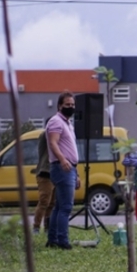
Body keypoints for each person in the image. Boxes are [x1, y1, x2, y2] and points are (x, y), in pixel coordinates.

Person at [45, 91, 81, 250]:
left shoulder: (67, 123)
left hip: (69, 167)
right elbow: (53, 143)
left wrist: (76, 172)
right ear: (60, 105)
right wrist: (63, 160)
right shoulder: (56, 122)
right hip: (62, 167)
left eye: (73, 105)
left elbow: (69, 149)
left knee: (59, 206)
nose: (71, 107)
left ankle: (53, 239)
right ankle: (62, 240)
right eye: (67, 105)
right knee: (66, 207)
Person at [32, 129, 55, 235]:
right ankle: (36, 227)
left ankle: (48, 226)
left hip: (55, 172)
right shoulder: (46, 135)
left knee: (52, 203)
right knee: (44, 201)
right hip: (45, 172)